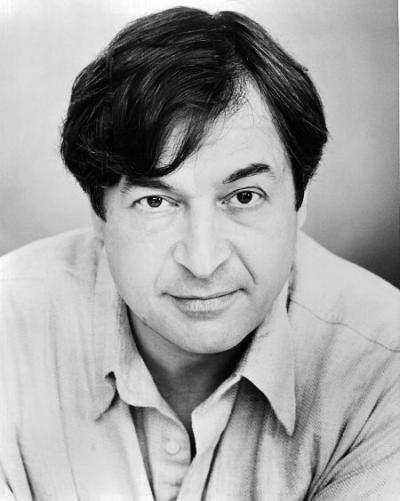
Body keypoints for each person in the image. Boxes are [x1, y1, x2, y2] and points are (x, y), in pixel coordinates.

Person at [0, 6, 399, 501]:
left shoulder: (384, 369)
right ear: (99, 214)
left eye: (244, 196)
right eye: (156, 202)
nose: (203, 261)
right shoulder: (9, 329)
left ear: (299, 202)